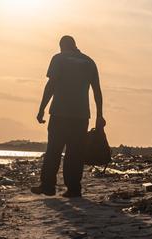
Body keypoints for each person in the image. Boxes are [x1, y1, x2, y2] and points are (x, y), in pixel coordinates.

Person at [30, 35, 106, 198]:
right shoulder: (89, 62)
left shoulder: (59, 58)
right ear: (75, 45)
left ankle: (48, 186)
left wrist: (41, 108)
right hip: (81, 115)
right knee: (75, 152)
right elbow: (97, 91)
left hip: (60, 113)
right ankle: (73, 189)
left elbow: (51, 85)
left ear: (62, 46)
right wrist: (100, 115)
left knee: (54, 150)